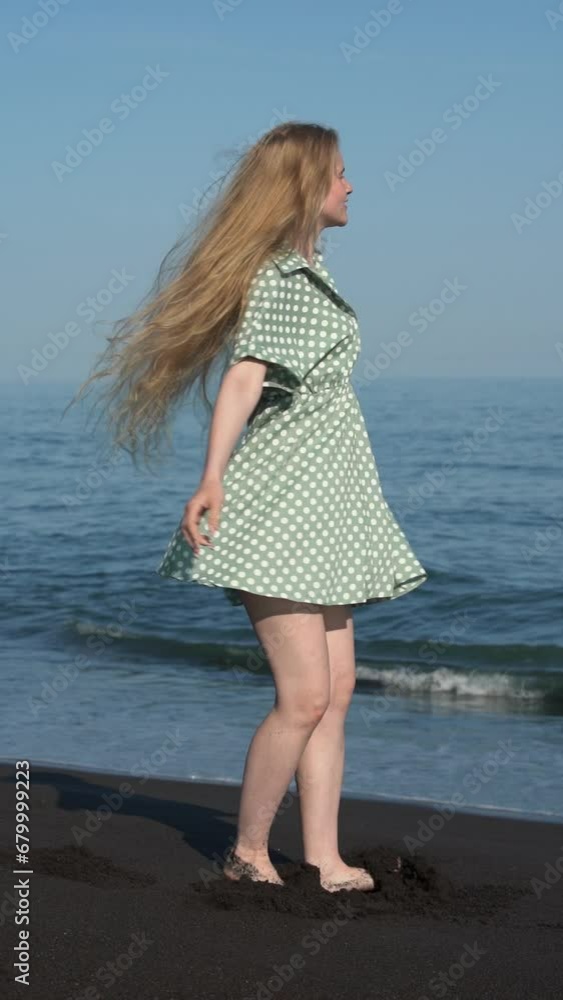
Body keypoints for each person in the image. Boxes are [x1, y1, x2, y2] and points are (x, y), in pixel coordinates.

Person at [69, 121, 428, 893]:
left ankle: (323, 857)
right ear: (305, 183)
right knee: (303, 696)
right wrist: (211, 479)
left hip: (324, 512)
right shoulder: (276, 278)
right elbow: (244, 376)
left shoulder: (310, 270)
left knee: (333, 695)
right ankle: (247, 852)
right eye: (339, 172)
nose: (350, 184)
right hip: (280, 512)